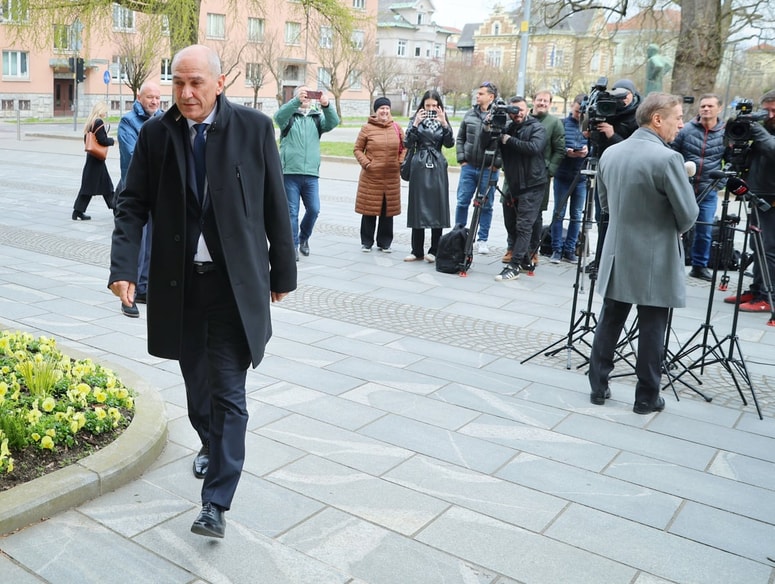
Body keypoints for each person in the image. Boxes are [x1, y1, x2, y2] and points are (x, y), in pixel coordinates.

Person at [108, 44, 297, 538]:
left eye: (196, 83)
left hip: (235, 289)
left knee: (229, 393)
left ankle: (215, 501)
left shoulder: (254, 129)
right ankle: (209, 442)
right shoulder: (156, 134)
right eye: (178, 83)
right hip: (181, 286)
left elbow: (276, 203)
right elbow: (131, 204)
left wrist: (283, 275)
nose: (187, 93)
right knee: (197, 389)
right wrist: (123, 268)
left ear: (219, 84)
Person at [588, 93, 698, 414]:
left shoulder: (611, 153)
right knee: (652, 327)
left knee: (610, 320)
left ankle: (598, 386)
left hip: (618, 251)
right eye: (677, 117)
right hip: (656, 255)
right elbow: (689, 215)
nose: (681, 124)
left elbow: (605, 206)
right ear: (657, 119)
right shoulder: (668, 159)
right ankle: (646, 397)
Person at [274, 85, 340, 260]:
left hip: (311, 174)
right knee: (292, 212)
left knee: (314, 209)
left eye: (308, 95)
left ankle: (304, 238)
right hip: (290, 173)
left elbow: (333, 122)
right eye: (302, 95)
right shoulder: (288, 117)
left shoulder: (317, 118)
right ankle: (293, 246)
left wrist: (326, 106)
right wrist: (296, 102)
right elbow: (278, 116)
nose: (306, 98)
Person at [723, 90, 775, 312]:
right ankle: (756, 289)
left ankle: (767, 297)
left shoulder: (763, 132)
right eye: (766, 110)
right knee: (756, 245)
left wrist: (757, 130)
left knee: (769, 248)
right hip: (757, 192)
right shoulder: (763, 130)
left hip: (772, 198)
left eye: (774, 110)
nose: (770, 115)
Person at [116, 81, 163, 318]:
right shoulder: (128, 122)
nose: (154, 101)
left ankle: (145, 287)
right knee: (138, 240)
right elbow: (135, 157)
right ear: (138, 97)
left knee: (154, 240)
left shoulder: (164, 119)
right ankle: (130, 294)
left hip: (158, 191)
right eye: (149, 97)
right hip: (135, 192)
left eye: (157, 97)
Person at [671, 94, 725, 281]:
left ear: (719, 108)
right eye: (703, 106)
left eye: (710, 106)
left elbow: (732, 160)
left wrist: (721, 183)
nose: (706, 109)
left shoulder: (725, 132)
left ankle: (699, 266)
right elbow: (672, 152)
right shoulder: (686, 129)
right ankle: (672, 263)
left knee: (705, 230)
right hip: (684, 187)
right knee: (674, 227)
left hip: (708, 189)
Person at [493, 96, 547, 281]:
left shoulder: (536, 127)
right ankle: (524, 259)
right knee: (512, 223)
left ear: (527, 109)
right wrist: (489, 127)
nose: (518, 114)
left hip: (533, 184)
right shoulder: (507, 127)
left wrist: (508, 140)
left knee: (524, 225)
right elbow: (489, 145)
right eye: (514, 110)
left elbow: (534, 147)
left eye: (521, 109)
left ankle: (514, 266)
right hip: (514, 184)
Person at [403, 90, 455, 263]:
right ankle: (416, 249)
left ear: (439, 106)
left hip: (438, 165)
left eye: (434, 105)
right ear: (422, 106)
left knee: (437, 205)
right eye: (428, 106)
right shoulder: (415, 120)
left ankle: (435, 249)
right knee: (418, 205)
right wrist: (416, 124)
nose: (431, 109)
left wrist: (444, 124)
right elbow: (408, 143)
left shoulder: (443, 121)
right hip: (419, 164)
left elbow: (449, 143)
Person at [455, 81, 503, 254]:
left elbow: (502, 143)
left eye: (481, 93)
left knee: (486, 205)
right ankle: (458, 233)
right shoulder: (470, 114)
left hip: (488, 169)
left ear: (491, 97)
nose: (477, 96)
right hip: (469, 167)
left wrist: (496, 165)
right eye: (477, 93)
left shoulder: (499, 116)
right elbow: (460, 138)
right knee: (462, 202)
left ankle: (482, 239)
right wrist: (462, 159)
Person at [353, 97, 405, 252]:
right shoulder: (367, 128)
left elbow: (405, 147)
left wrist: (399, 162)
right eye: (381, 108)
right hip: (372, 176)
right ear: (376, 111)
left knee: (388, 210)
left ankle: (384, 242)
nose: (384, 111)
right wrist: (367, 164)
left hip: (391, 176)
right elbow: (357, 149)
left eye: (387, 108)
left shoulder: (396, 127)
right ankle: (366, 242)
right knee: (369, 209)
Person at [524, 90, 565, 268]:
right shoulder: (524, 119)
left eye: (546, 101)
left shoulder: (554, 123)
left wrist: (550, 170)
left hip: (541, 177)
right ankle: (513, 248)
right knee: (514, 212)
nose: (542, 103)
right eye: (539, 100)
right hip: (521, 174)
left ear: (550, 103)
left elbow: (560, 149)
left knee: (536, 215)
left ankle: (533, 252)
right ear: (533, 101)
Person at [550, 93, 589, 264]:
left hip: (580, 177)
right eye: (577, 110)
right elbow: (556, 146)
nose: (579, 114)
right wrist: (567, 152)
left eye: (582, 112)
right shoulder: (562, 124)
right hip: (562, 175)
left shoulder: (589, 127)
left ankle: (570, 250)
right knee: (558, 213)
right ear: (572, 106)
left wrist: (587, 151)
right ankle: (556, 249)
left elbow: (596, 149)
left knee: (576, 216)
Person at [72, 102, 114, 220]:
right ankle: (117, 209)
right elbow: (102, 140)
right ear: (100, 111)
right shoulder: (99, 122)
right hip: (97, 159)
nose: (106, 113)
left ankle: (78, 211)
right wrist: (111, 140)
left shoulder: (91, 122)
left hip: (93, 158)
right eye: (105, 110)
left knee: (94, 185)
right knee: (106, 186)